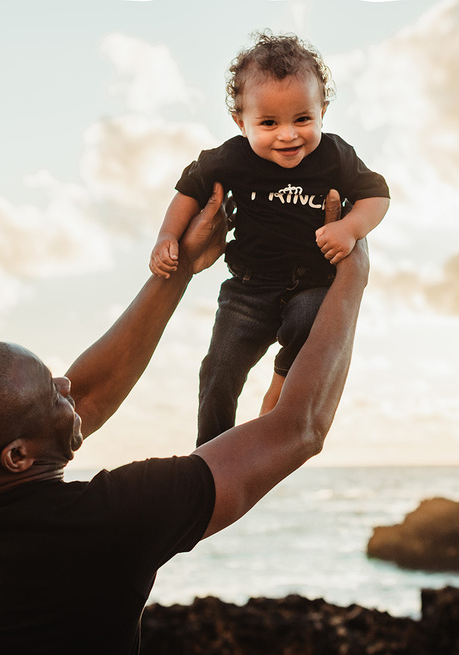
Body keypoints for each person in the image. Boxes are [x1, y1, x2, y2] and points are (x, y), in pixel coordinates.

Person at [0, 182, 369, 655]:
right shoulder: (104, 527)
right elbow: (299, 428)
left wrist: (178, 272)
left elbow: (84, 399)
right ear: (16, 456)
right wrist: (352, 282)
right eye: (50, 392)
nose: (67, 387)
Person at [149, 31, 389, 445]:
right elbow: (188, 190)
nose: (288, 135)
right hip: (248, 288)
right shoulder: (231, 157)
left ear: (323, 110)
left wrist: (350, 228)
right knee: (219, 368)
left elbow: (377, 195)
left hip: (311, 283)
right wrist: (167, 236)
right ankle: (210, 449)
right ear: (241, 122)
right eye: (268, 123)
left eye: (302, 119)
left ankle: (280, 384)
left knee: (311, 324)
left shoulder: (334, 155)